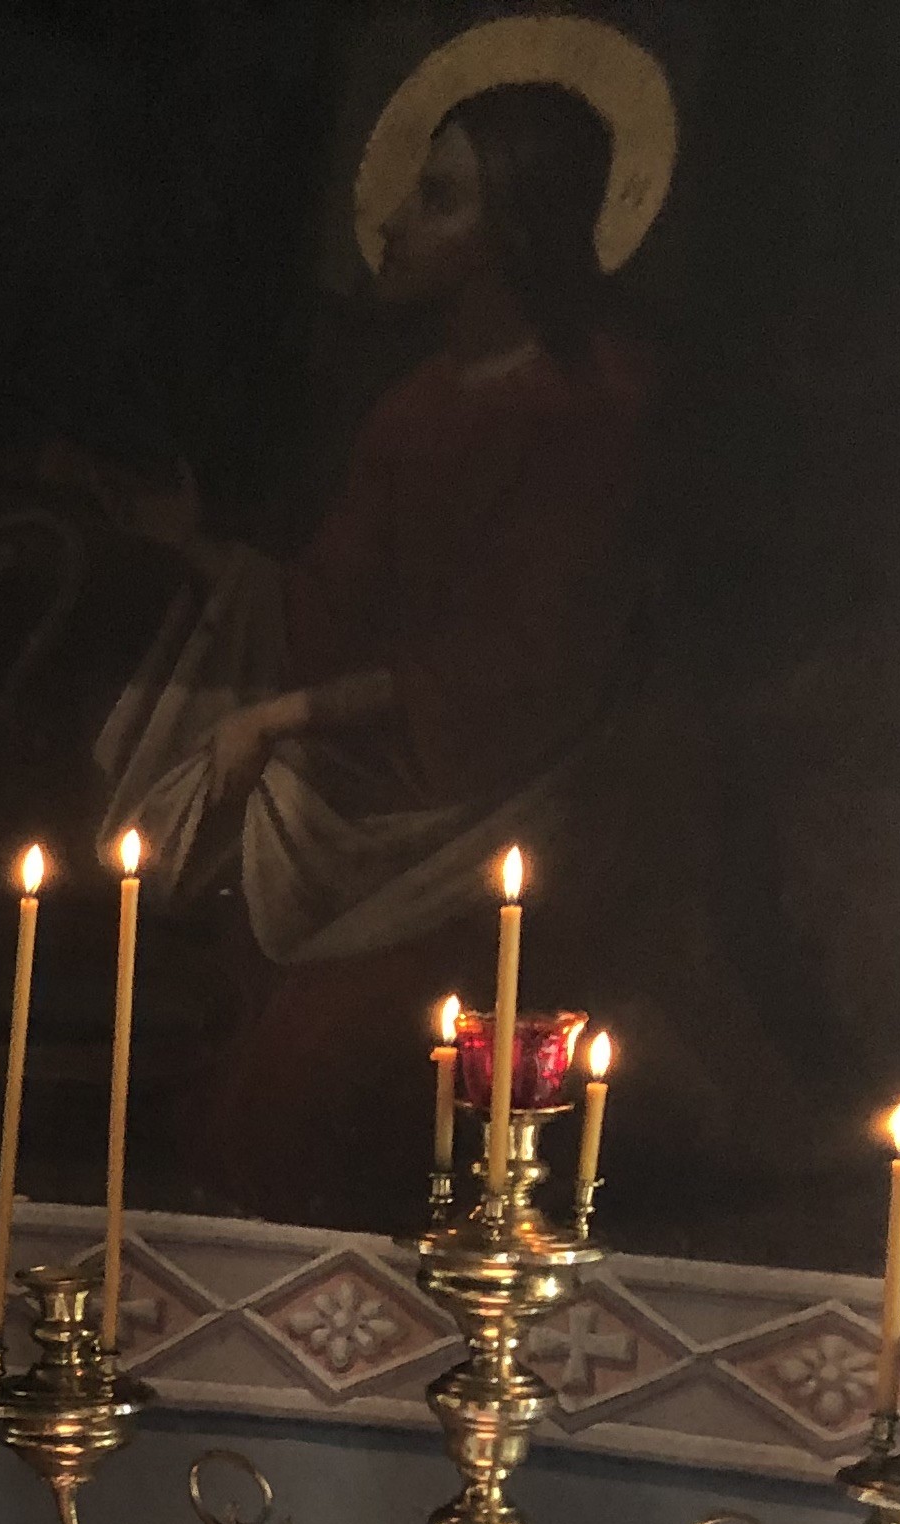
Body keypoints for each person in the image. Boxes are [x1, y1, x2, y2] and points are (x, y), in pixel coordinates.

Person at [94, 72, 655, 962]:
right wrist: (195, 551)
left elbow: (507, 669)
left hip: (501, 777)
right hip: (392, 745)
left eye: (437, 200)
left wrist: (274, 720)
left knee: (237, 805)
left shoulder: (593, 408)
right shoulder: (412, 405)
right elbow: (328, 610)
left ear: (515, 232)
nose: (392, 223)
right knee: (175, 768)